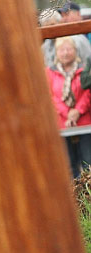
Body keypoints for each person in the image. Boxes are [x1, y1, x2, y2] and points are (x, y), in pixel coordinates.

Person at [47, 36, 91, 177]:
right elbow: (51, 96)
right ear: (56, 52)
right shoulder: (49, 73)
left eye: (68, 49)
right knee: (68, 165)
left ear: (75, 51)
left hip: (85, 123)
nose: (65, 53)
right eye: (61, 50)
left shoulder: (84, 70)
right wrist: (67, 113)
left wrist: (78, 111)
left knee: (88, 162)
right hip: (62, 124)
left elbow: (88, 92)